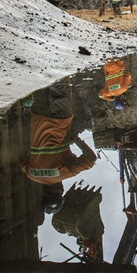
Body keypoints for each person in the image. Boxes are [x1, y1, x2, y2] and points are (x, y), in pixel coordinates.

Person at [20, 80, 97, 213]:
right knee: (40, 83)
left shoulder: (66, 172)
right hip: (38, 117)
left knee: (59, 81)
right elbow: (22, 157)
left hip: (61, 120)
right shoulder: (30, 174)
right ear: (43, 193)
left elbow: (91, 159)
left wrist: (76, 140)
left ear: (61, 191)